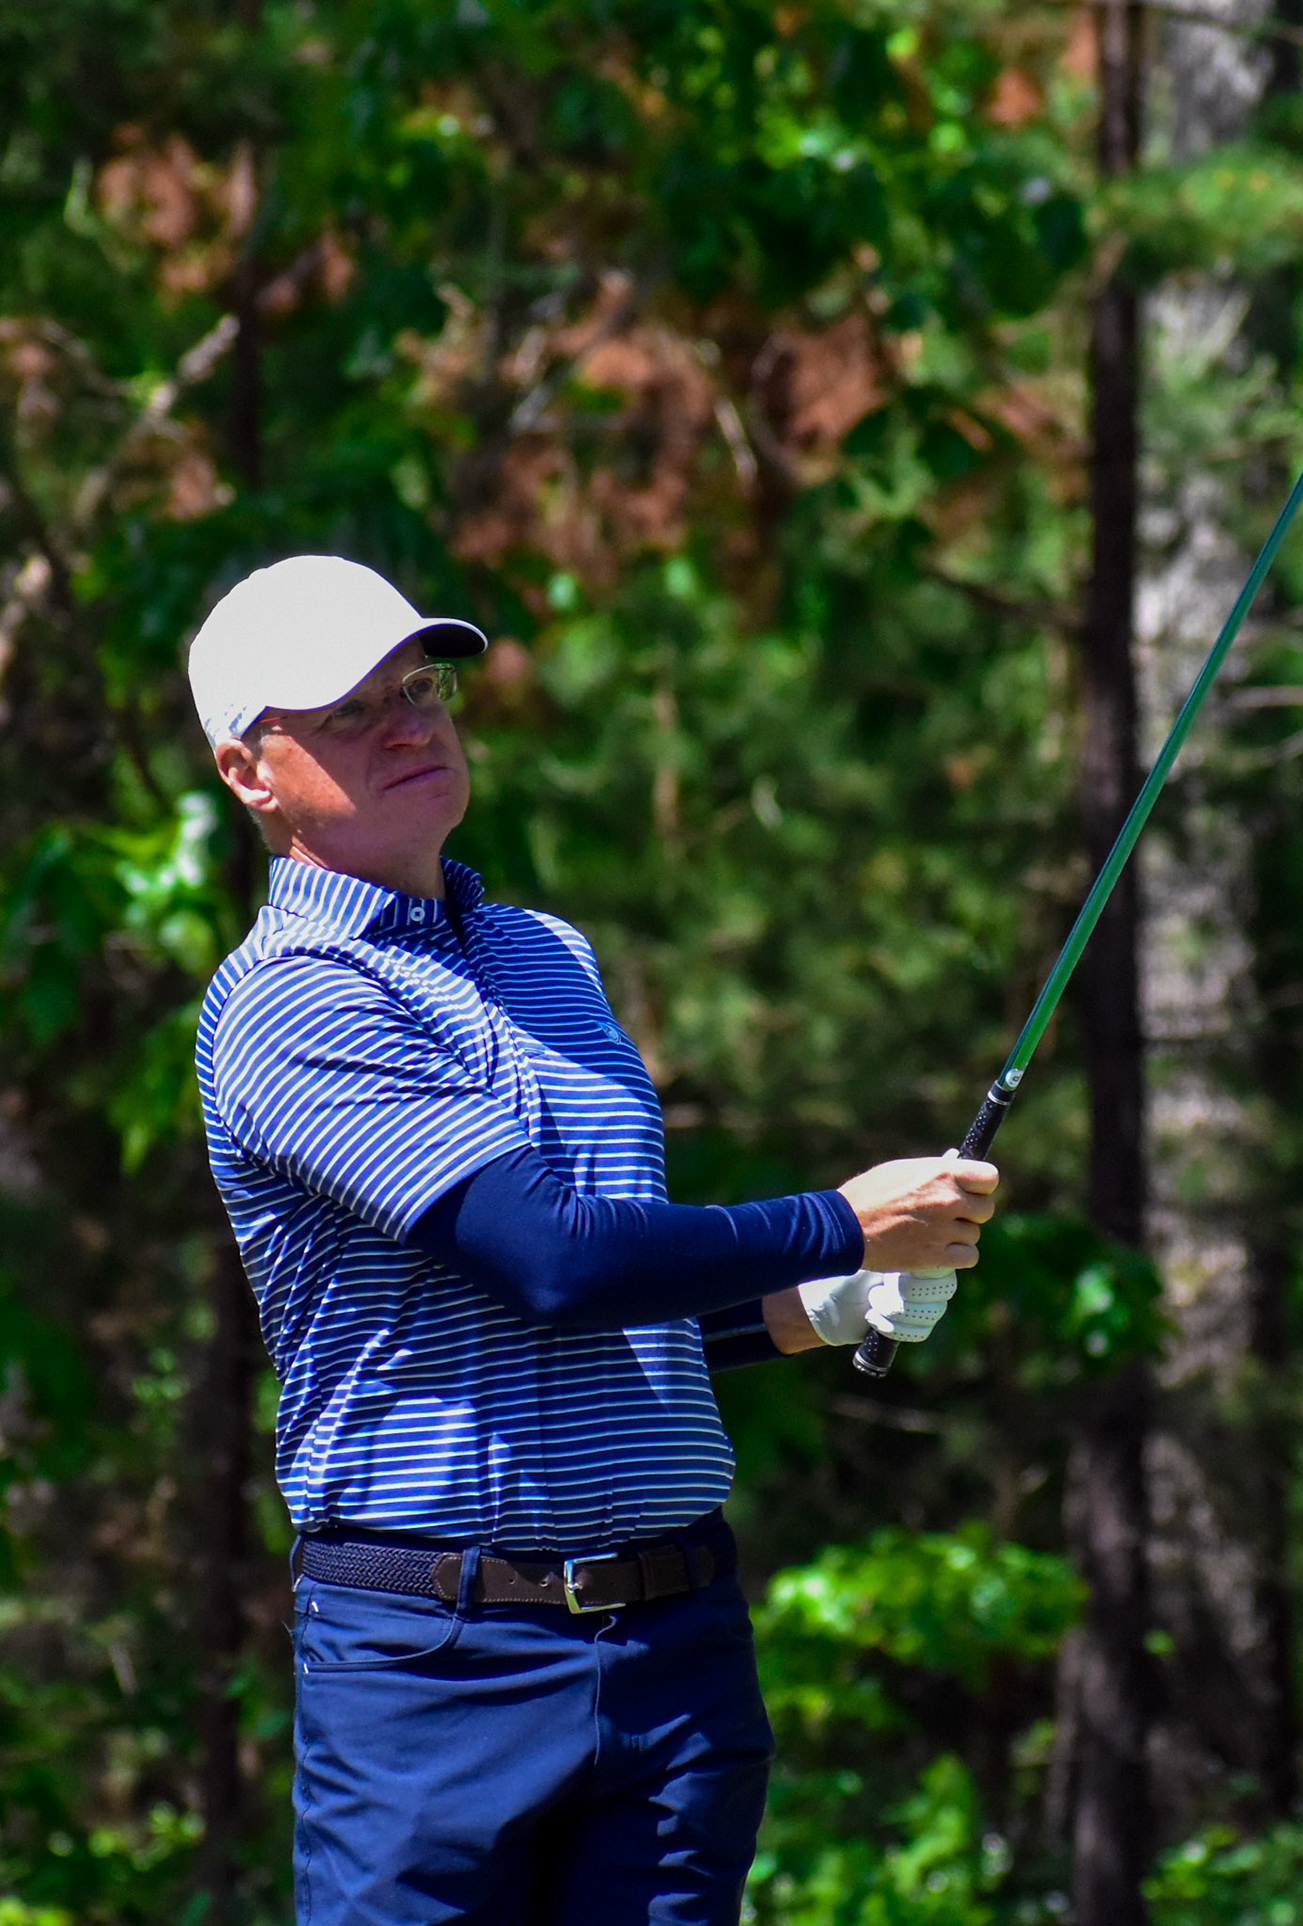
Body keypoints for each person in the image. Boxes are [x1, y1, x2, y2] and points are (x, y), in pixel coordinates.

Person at [187, 555, 999, 1925]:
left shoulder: (547, 954)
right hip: (439, 1667)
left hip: (675, 1650)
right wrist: (842, 1219)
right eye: (348, 711)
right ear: (247, 770)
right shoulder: (288, 1001)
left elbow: (569, 1319)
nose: (409, 724)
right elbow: (556, 1261)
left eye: (418, 687)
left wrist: (819, 1300)